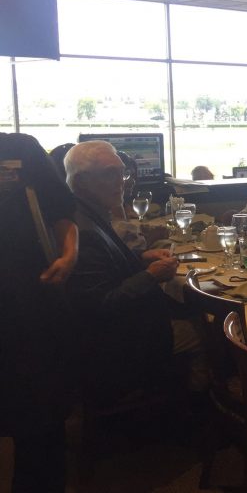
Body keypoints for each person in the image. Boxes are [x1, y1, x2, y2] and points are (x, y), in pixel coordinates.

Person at [64, 140, 206, 401]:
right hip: (119, 343)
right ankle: (197, 409)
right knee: (206, 330)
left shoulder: (87, 214)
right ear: (82, 181)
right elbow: (101, 303)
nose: (122, 182)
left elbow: (107, 268)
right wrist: (151, 275)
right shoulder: (83, 230)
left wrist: (140, 257)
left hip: (120, 329)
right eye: (110, 174)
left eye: (123, 173)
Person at [1, 133, 79, 492]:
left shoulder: (19, 149)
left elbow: (62, 211)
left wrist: (69, 254)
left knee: (40, 418)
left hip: (29, 302)